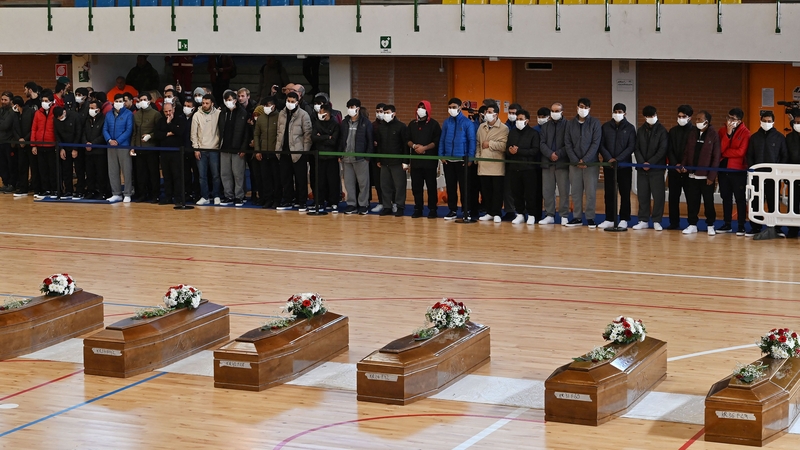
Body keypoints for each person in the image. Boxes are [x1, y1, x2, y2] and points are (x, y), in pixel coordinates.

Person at [746, 111, 788, 240]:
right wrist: (753, 170)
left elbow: (784, 156)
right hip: (757, 176)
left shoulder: (780, 137)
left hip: (773, 177)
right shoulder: (754, 137)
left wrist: (778, 171)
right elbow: (749, 155)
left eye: (769, 121)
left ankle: (776, 227)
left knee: (773, 201)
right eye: (764, 121)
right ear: (760, 121)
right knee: (756, 202)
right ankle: (755, 227)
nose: (766, 123)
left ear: (773, 122)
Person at [681, 110, 720, 236]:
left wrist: (712, 176)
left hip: (706, 176)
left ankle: (710, 225)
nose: (696, 121)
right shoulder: (692, 133)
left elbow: (716, 157)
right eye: (696, 119)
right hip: (692, 174)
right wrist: (684, 165)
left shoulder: (713, 135)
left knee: (708, 202)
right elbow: (687, 151)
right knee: (692, 201)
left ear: (706, 121)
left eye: (699, 119)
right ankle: (692, 224)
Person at [564, 98, 602, 228]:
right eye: (581, 106)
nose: (583, 109)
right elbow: (568, 143)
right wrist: (576, 161)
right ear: (577, 107)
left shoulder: (595, 123)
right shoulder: (570, 124)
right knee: (575, 192)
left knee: (590, 192)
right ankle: (577, 217)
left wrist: (585, 160)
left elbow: (595, 143)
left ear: (589, 109)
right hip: (574, 164)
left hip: (591, 164)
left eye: (586, 107)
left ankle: (590, 217)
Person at [598, 103, 636, 229]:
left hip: (624, 166)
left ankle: (624, 218)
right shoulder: (605, 127)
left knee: (625, 193)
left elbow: (631, 146)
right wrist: (609, 158)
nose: (617, 114)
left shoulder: (630, 128)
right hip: (609, 166)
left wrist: (618, 159)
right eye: (615, 111)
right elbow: (601, 144)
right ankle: (609, 218)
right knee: (609, 193)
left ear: (625, 113)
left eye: (620, 112)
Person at [438, 98, 476, 220]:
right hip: (448, 161)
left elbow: (472, 141)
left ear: (460, 108)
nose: (451, 109)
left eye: (454, 107)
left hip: (462, 161)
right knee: (451, 187)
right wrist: (441, 155)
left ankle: (466, 211)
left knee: (465, 188)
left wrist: (470, 159)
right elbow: (442, 139)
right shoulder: (446, 122)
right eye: (450, 107)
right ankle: (452, 210)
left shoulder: (467, 123)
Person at [632, 106, 668, 231]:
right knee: (642, 195)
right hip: (642, 169)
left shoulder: (662, 131)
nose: (651, 118)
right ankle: (643, 220)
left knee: (658, 196)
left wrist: (650, 163)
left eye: (652, 115)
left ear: (656, 115)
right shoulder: (640, 130)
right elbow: (636, 148)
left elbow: (662, 150)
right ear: (644, 117)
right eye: (648, 116)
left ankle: (657, 220)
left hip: (656, 169)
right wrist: (642, 163)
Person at [275, 92, 312, 210]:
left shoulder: (303, 115)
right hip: (283, 150)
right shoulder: (281, 114)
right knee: (286, 178)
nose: (290, 103)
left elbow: (307, 135)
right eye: (288, 101)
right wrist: (278, 149)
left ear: (297, 102)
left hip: (298, 151)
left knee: (300, 178)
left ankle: (302, 201)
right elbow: (279, 132)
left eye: (292, 101)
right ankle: (287, 200)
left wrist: (305, 151)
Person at [717, 108, 751, 235]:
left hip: (738, 170)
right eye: (728, 117)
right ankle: (727, 223)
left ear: (739, 120)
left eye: (733, 119)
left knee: (740, 198)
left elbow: (741, 152)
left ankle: (741, 225)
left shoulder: (746, 133)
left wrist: (726, 153)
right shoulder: (722, 131)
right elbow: (720, 149)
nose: (730, 121)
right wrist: (728, 134)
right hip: (723, 169)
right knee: (726, 197)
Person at [505, 109, 541, 225]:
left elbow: (535, 150)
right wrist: (510, 151)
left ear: (527, 120)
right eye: (517, 119)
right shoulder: (512, 133)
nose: (518, 121)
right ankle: (520, 214)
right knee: (516, 193)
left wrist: (519, 151)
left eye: (521, 119)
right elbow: (507, 148)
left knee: (530, 194)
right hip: (514, 167)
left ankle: (531, 214)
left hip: (528, 168)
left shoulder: (533, 133)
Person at [407, 100, 441, 219]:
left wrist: (424, 148)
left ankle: (432, 209)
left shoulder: (434, 124)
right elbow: (407, 139)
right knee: (416, 186)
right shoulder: (412, 124)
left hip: (429, 162)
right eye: (419, 107)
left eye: (423, 107)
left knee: (431, 186)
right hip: (416, 161)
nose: (420, 109)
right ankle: (418, 208)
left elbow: (436, 141)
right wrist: (414, 146)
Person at [339, 98, 373, 215]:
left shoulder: (365, 123)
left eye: (352, 107)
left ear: (358, 108)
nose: (350, 109)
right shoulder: (344, 122)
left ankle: (363, 204)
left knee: (363, 183)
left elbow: (370, 140)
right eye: (349, 107)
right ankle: (351, 204)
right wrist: (340, 153)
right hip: (346, 158)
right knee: (349, 183)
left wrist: (367, 157)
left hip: (360, 158)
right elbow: (341, 139)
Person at [475, 102, 509, 222]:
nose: (487, 114)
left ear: (496, 114)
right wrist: (477, 158)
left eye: (489, 112)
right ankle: (489, 212)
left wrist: (490, 144)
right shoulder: (481, 127)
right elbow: (478, 144)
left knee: (497, 191)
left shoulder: (504, 128)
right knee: (486, 191)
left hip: (496, 165)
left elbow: (504, 145)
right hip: (483, 164)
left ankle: (497, 213)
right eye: (486, 112)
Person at [375, 105, 409, 217]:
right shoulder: (381, 127)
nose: (385, 114)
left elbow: (405, 145)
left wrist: (406, 161)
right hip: (384, 162)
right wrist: (378, 159)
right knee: (384, 185)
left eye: (387, 112)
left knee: (399, 186)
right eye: (384, 112)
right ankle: (387, 206)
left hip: (397, 162)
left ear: (394, 114)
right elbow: (379, 144)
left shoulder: (401, 126)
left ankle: (400, 206)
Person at [539, 102, 570, 225]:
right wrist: (550, 154)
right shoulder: (545, 126)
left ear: (562, 112)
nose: (554, 113)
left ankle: (564, 215)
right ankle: (549, 214)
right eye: (552, 111)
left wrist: (558, 154)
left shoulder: (568, 125)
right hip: (547, 163)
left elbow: (569, 144)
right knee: (547, 191)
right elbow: (542, 143)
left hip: (562, 163)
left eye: (557, 111)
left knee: (563, 191)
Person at [218, 90, 249, 207]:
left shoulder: (243, 113)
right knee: (225, 173)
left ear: (235, 100)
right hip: (224, 147)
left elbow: (246, 133)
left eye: (230, 100)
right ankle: (228, 196)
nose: (228, 102)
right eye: (226, 100)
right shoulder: (223, 112)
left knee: (238, 173)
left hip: (237, 148)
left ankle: (239, 196)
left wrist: (243, 148)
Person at [153, 102, 187, 205]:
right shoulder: (160, 121)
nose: (168, 113)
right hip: (164, 152)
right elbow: (157, 134)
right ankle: (168, 197)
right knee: (166, 175)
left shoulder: (180, 120)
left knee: (177, 175)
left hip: (176, 152)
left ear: (174, 109)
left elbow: (180, 132)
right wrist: (168, 133)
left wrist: (170, 124)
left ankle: (178, 198)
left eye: (170, 111)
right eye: (166, 111)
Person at [310, 103, 341, 212]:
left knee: (332, 181)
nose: (319, 113)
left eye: (321, 112)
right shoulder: (317, 123)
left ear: (326, 113)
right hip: (320, 156)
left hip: (332, 157)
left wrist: (321, 137)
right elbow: (314, 138)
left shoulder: (335, 124)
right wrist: (327, 136)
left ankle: (333, 202)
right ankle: (319, 202)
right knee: (320, 181)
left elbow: (334, 141)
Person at [667, 105, 695, 230]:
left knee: (691, 198)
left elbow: (693, 151)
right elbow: (669, 149)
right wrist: (675, 164)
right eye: (679, 116)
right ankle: (674, 222)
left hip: (689, 170)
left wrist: (686, 165)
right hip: (674, 170)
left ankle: (692, 222)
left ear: (690, 118)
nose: (681, 119)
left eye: (684, 116)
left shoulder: (695, 132)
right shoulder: (673, 131)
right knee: (673, 197)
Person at [191, 94, 222, 206]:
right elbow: (193, 134)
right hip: (201, 149)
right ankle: (205, 197)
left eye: (207, 103)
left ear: (212, 103)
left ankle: (216, 195)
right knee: (202, 176)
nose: (204, 105)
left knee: (215, 175)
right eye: (203, 103)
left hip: (214, 149)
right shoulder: (196, 115)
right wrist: (196, 149)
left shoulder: (218, 114)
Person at [103, 94, 134, 203]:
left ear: (124, 102)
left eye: (120, 101)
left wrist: (118, 141)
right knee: (113, 170)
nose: (118, 103)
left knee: (126, 170)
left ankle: (128, 193)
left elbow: (129, 130)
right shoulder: (108, 114)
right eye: (116, 101)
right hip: (110, 146)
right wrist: (109, 140)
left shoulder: (128, 114)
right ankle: (116, 193)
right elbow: (105, 129)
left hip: (124, 145)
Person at [132, 92, 162, 203]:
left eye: (144, 99)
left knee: (153, 173)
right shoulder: (136, 114)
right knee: (141, 173)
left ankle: (155, 195)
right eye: (140, 100)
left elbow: (159, 131)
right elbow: (134, 132)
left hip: (151, 148)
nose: (142, 101)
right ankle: (142, 194)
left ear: (149, 101)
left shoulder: (155, 114)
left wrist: (150, 136)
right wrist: (133, 146)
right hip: (139, 148)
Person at [254, 97, 282, 209]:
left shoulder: (280, 117)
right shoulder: (261, 118)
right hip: (263, 153)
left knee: (276, 178)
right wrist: (257, 150)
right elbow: (256, 135)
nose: (266, 107)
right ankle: (268, 199)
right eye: (264, 105)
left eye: (268, 105)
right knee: (265, 178)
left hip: (275, 153)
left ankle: (277, 199)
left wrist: (278, 150)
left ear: (273, 106)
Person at [52, 106, 84, 198]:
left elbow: (79, 132)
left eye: (61, 117)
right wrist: (61, 148)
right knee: (66, 170)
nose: (60, 119)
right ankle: (68, 190)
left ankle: (80, 190)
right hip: (65, 147)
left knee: (79, 170)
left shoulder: (75, 116)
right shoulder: (55, 120)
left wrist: (75, 148)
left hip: (77, 146)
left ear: (64, 112)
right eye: (58, 118)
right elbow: (57, 134)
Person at [30, 90, 57, 199]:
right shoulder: (38, 113)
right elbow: (34, 129)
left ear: (51, 101)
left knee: (53, 169)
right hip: (40, 145)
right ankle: (45, 189)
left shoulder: (56, 111)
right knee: (42, 169)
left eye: (46, 101)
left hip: (52, 145)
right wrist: (33, 145)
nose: (44, 103)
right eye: (43, 100)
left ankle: (55, 189)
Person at [82, 99, 110, 200]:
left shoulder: (104, 119)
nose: (90, 110)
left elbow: (103, 134)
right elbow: (83, 133)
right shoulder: (87, 120)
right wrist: (86, 143)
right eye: (90, 108)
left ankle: (103, 192)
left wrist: (93, 144)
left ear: (98, 109)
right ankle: (91, 191)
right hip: (88, 151)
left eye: (92, 108)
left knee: (101, 173)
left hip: (99, 151)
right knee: (90, 173)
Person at [11, 96, 38, 197]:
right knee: (22, 166)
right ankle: (23, 188)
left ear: (16, 105)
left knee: (34, 167)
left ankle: (36, 188)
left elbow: (33, 128)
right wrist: (19, 139)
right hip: (20, 145)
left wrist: (25, 139)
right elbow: (14, 128)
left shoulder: (31, 112)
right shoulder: (15, 114)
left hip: (30, 144)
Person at [0, 91, 21, 192]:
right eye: (2, 99)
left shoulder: (12, 112)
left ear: (10, 101)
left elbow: (5, 125)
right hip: (1, 142)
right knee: (2, 164)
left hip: (9, 143)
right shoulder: (1, 110)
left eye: (5, 100)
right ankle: (6, 183)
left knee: (11, 164)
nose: (3, 101)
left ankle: (12, 184)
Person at [182, 97, 200, 202]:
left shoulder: (196, 117)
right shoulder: (181, 118)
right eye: (185, 106)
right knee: (186, 174)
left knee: (197, 174)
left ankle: (197, 194)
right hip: (183, 150)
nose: (186, 108)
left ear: (193, 108)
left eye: (188, 106)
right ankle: (187, 193)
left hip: (194, 150)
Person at [785, 109, 800, 238]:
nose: (797, 125)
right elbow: (786, 156)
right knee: (793, 203)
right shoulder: (789, 137)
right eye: (796, 122)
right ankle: (793, 229)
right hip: (793, 175)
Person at [370, 103, 386, 212]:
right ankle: (381, 202)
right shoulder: (372, 125)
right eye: (377, 111)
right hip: (375, 158)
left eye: (381, 111)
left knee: (389, 183)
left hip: (388, 157)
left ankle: (393, 202)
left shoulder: (390, 125)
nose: (379, 113)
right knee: (378, 182)